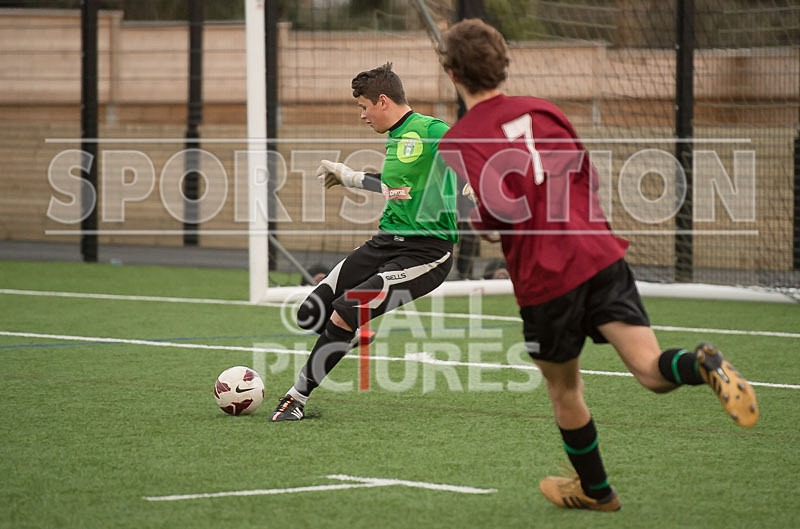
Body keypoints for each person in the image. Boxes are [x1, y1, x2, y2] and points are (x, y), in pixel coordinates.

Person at [436, 19, 758, 511]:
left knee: (565, 389)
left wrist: (482, 220)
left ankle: (596, 490)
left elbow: (500, 212)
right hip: (599, 253)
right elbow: (585, 175)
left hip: (546, 279)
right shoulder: (546, 110)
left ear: (452, 75)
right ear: (504, 63)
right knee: (651, 370)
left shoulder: (459, 140)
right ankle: (701, 363)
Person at [271, 63, 458, 422]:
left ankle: (295, 398)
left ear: (383, 101)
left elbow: (470, 154)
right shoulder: (396, 137)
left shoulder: (432, 130)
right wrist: (349, 177)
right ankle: (346, 335)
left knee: (345, 310)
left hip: (427, 253)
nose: (362, 115)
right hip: (386, 242)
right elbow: (397, 190)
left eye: (363, 107)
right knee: (311, 313)